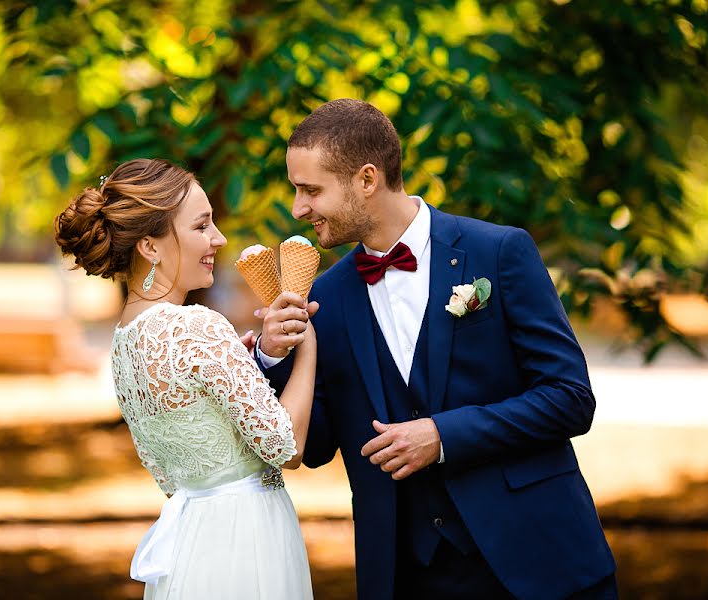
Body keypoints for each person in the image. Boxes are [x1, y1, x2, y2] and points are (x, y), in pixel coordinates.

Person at [256, 99, 617, 600]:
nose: (298, 209)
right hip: (408, 575)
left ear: (366, 179)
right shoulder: (325, 298)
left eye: (310, 190)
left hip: (536, 561)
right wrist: (273, 359)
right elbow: (312, 447)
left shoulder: (498, 251)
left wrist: (442, 435)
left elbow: (570, 397)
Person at [54, 158, 316, 599]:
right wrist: (307, 344)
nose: (219, 238)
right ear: (150, 247)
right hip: (247, 540)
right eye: (201, 226)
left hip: (194, 539)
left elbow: (178, 463)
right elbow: (286, 447)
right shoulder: (197, 327)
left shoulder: (126, 342)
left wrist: (263, 354)